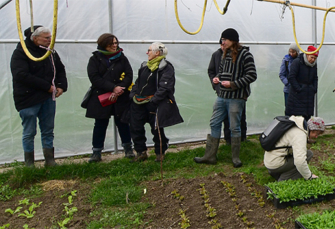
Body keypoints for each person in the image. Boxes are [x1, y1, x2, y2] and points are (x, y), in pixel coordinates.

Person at [197, 28, 257, 168]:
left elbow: (252, 75)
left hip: (236, 97)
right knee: (214, 122)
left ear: (232, 40)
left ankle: (235, 158)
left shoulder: (246, 55)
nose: (222, 42)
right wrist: (218, 78)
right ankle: (210, 156)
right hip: (221, 96)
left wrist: (233, 84)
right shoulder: (224, 54)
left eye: (224, 39)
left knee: (234, 127)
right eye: (222, 40)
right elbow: (221, 72)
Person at [10, 25, 67, 167]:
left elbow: (60, 69)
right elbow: (21, 75)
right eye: (46, 38)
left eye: (50, 37)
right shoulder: (21, 52)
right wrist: (47, 86)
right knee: (29, 132)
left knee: (48, 130)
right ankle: (29, 163)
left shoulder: (50, 52)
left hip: (48, 98)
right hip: (28, 98)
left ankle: (50, 160)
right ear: (35, 38)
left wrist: (61, 86)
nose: (50, 40)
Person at [126, 42, 184, 163]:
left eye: (149, 50)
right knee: (135, 128)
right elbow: (137, 83)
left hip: (154, 103)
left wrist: (154, 100)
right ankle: (141, 152)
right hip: (138, 102)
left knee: (157, 129)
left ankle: (159, 152)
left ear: (157, 53)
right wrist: (133, 95)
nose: (147, 53)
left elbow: (165, 87)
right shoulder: (145, 66)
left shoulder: (166, 67)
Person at [85, 33, 134, 162]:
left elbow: (129, 75)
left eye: (116, 43)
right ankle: (96, 152)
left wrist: (120, 89)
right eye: (111, 43)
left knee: (123, 122)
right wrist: (112, 88)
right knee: (100, 124)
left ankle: (128, 149)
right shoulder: (95, 59)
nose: (115, 45)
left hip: (120, 96)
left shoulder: (122, 57)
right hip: (102, 96)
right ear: (103, 44)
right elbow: (94, 78)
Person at [264, 116, 324, 181]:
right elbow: (300, 162)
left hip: (271, 159)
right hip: (275, 163)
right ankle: (284, 180)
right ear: (312, 129)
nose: (316, 137)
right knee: (307, 155)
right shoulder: (300, 135)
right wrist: (309, 176)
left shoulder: (296, 125)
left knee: (307, 153)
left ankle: (275, 173)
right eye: (317, 133)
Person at [285, 46, 319, 122]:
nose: (313, 60)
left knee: (307, 116)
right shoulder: (297, 62)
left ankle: (306, 132)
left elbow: (315, 78)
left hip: (309, 94)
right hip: (296, 95)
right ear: (307, 55)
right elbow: (291, 77)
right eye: (311, 57)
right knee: (294, 116)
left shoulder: (314, 65)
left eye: (315, 58)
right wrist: (299, 88)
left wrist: (314, 89)